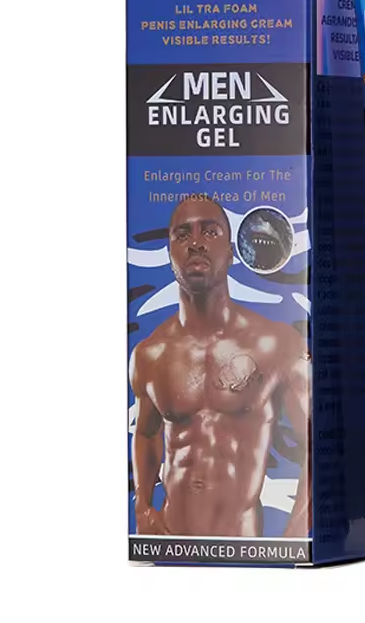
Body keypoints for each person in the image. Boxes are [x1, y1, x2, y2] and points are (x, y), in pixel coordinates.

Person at [129, 197, 310, 537]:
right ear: (169, 253)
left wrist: (296, 533)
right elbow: (148, 433)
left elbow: (315, 443)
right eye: (183, 234)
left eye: (209, 232)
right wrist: (142, 507)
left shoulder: (276, 344)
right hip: (173, 540)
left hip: (243, 540)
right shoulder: (149, 354)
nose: (195, 243)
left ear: (230, 253)